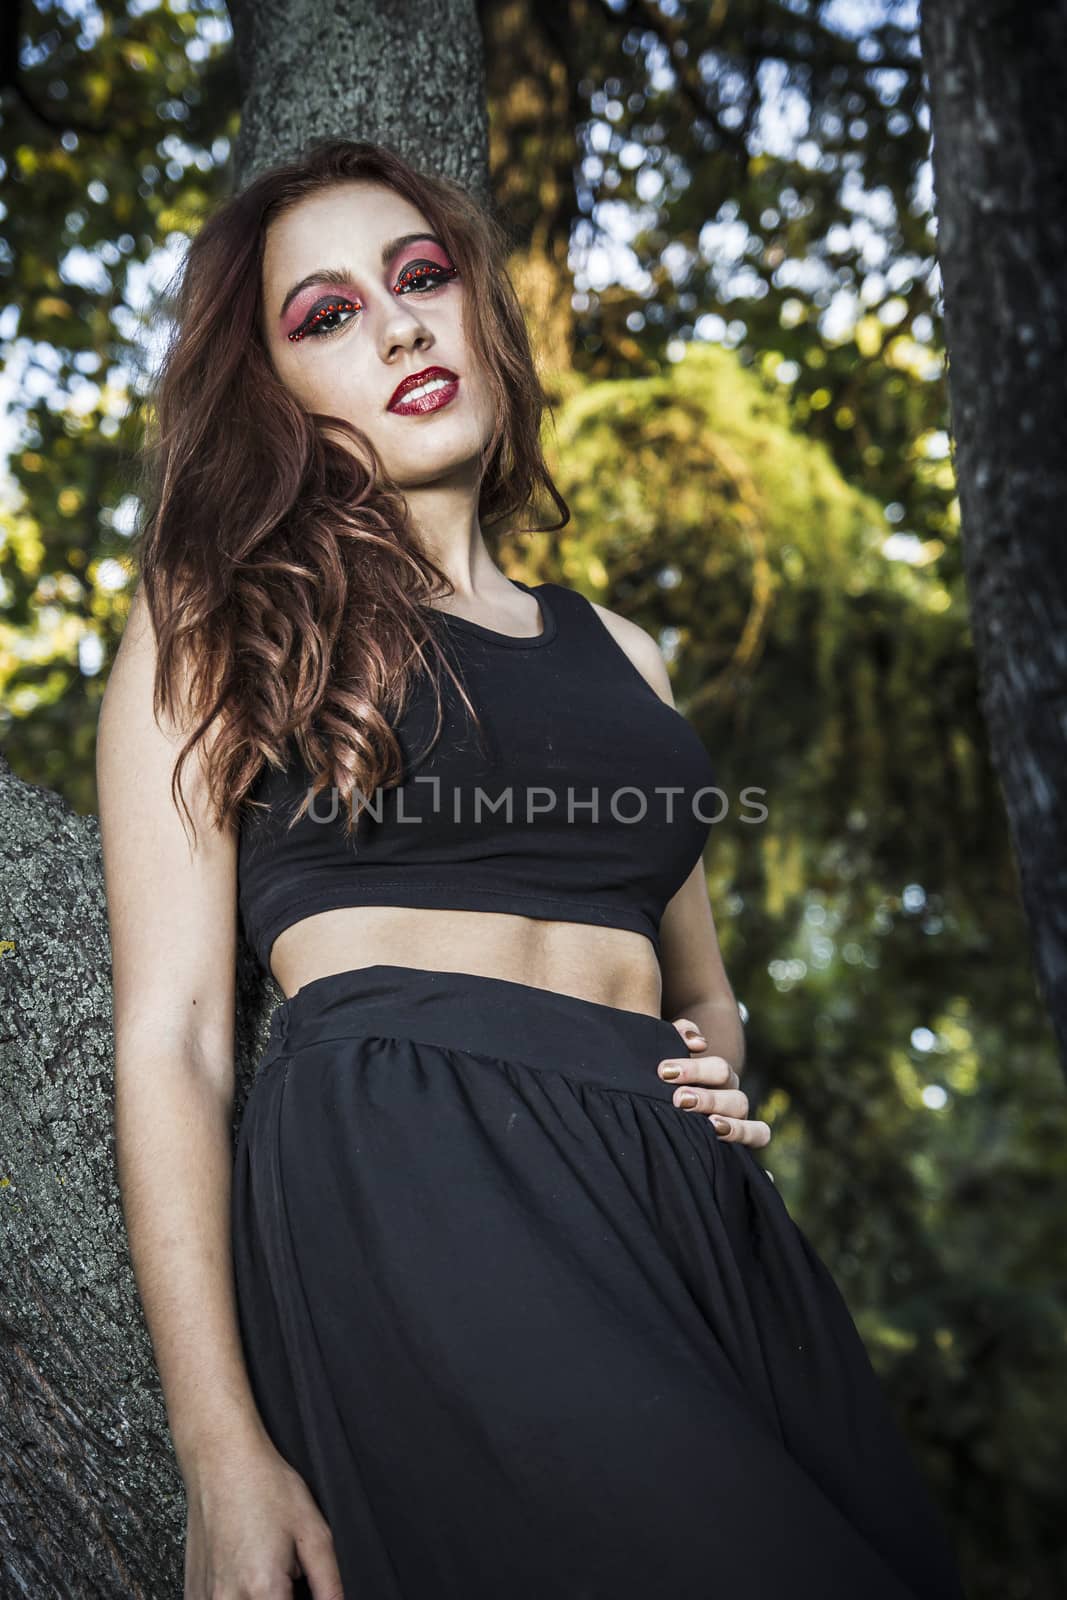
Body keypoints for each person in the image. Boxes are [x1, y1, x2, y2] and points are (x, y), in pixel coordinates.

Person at [97, 137, 965, 1599]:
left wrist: (711, 1074)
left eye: (421, 277)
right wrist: (220, 1449)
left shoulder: (627, 654)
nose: (397, 324)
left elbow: (698, 985)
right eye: (325, 315)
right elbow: (173, 1036)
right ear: (275, 392)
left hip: (694, 1213)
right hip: (422, 1175)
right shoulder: (221, 616)